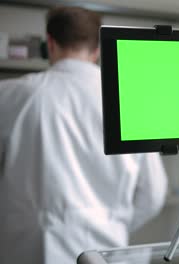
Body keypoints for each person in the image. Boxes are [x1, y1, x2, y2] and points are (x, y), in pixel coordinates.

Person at [0, 6, 167, 264]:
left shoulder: (13, 95)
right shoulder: (132, 100)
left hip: (30, 249)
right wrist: (111, 221)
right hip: (105, 249)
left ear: (50, 43)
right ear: (98, 49)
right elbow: (154, 194)